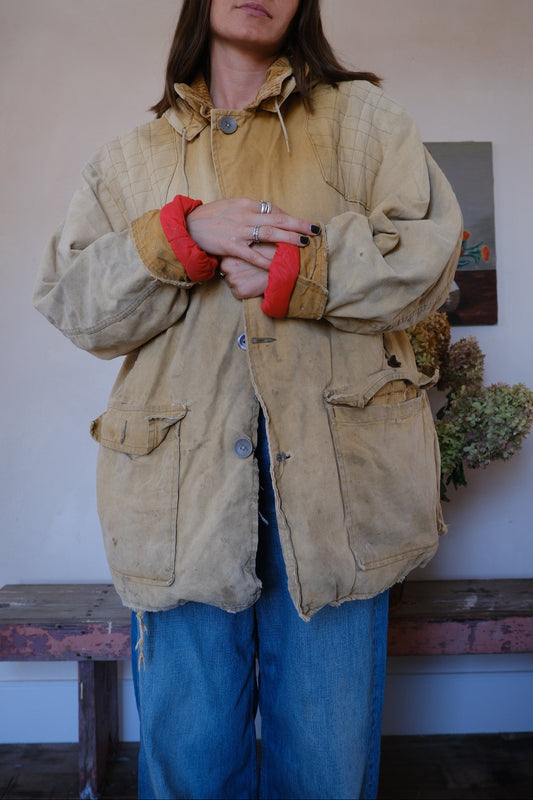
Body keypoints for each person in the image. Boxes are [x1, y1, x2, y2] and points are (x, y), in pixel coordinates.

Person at [34, 1, 462, 797]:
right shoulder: (128, 159)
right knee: (189, 769)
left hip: (343, 500)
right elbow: (74, 306)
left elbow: (429, 260)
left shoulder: (366, 123)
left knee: (327, 775)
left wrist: (301, 270)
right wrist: (182, 237)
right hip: (177, 506)